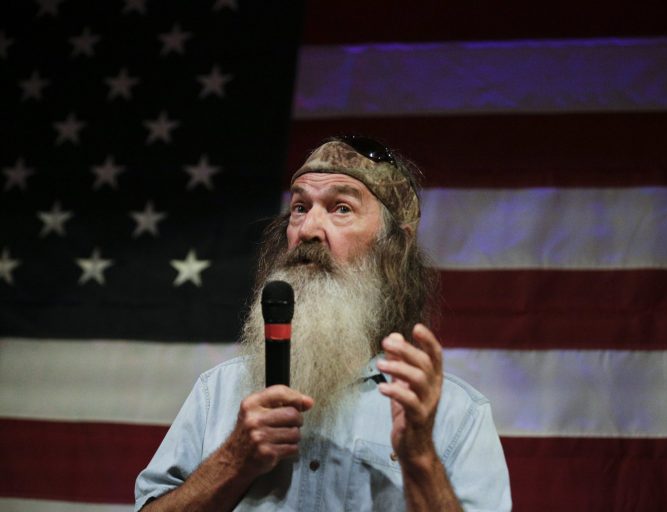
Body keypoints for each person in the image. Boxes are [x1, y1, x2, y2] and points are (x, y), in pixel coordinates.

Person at [134, 136, 512, 511]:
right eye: (300, 207)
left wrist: (420, 459)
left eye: (341, 208)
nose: (309, 229)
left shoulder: (456, 413)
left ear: (395, 246)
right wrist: (232, 460)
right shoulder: (218, 391)